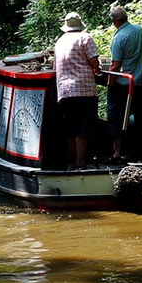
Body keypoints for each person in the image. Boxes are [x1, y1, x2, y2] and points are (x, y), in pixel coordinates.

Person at [54, 12, 100, 170]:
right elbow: (94, 63)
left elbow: (55, 68)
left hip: (65, 92)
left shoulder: (59, 42)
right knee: (83, 129)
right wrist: (97, 68)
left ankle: (72, 163)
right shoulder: (85, 38)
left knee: (71, 129)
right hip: (84, 90)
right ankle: (81, 163)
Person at [105, 6, 142, 164]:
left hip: (122, 84)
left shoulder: (118, 38)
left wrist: (110, 84)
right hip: (137, 81)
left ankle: (117, 153)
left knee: (115, 118)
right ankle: (136, 152)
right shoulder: (139, 30)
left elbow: (115, 65)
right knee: (133, 118)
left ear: (114, 21)